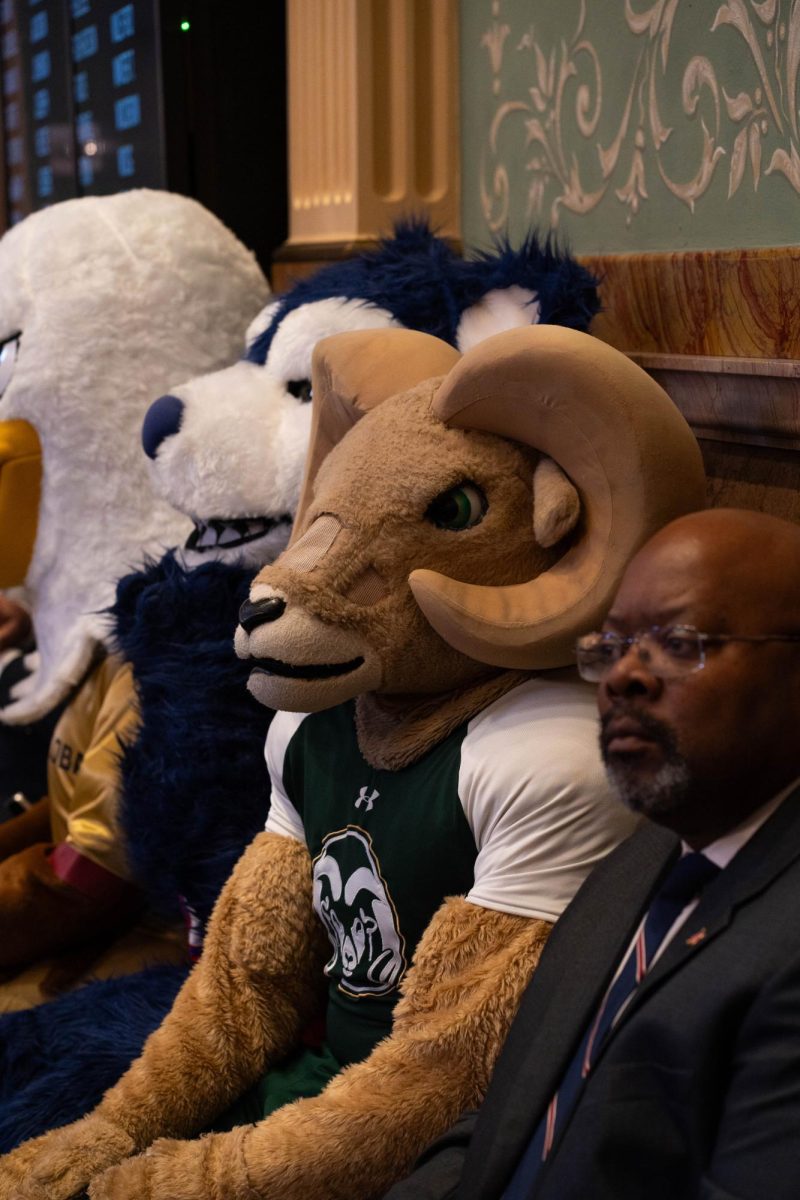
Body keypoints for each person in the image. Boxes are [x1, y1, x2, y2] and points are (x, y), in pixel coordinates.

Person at [386, 506, 800, 1200]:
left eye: (678, 641)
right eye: (610, 647)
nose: (621, 678)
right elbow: (511, 1117)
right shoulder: (646, 852)